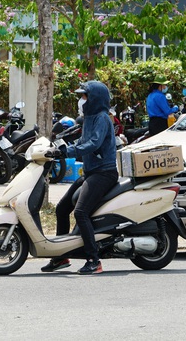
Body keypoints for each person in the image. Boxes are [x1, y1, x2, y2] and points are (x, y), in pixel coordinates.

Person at [41, 80, 118, 275]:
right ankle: (61, 257)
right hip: (92, 172)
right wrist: (59, 146)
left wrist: (69, 152)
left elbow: (93, 143)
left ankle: (94, 260)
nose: (81, 100)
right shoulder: (89, 118)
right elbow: (82, 141)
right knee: (61, 208)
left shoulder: (102, 118)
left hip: (104, 173)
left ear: (95, 99)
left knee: (81, 212)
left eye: (84, 96)